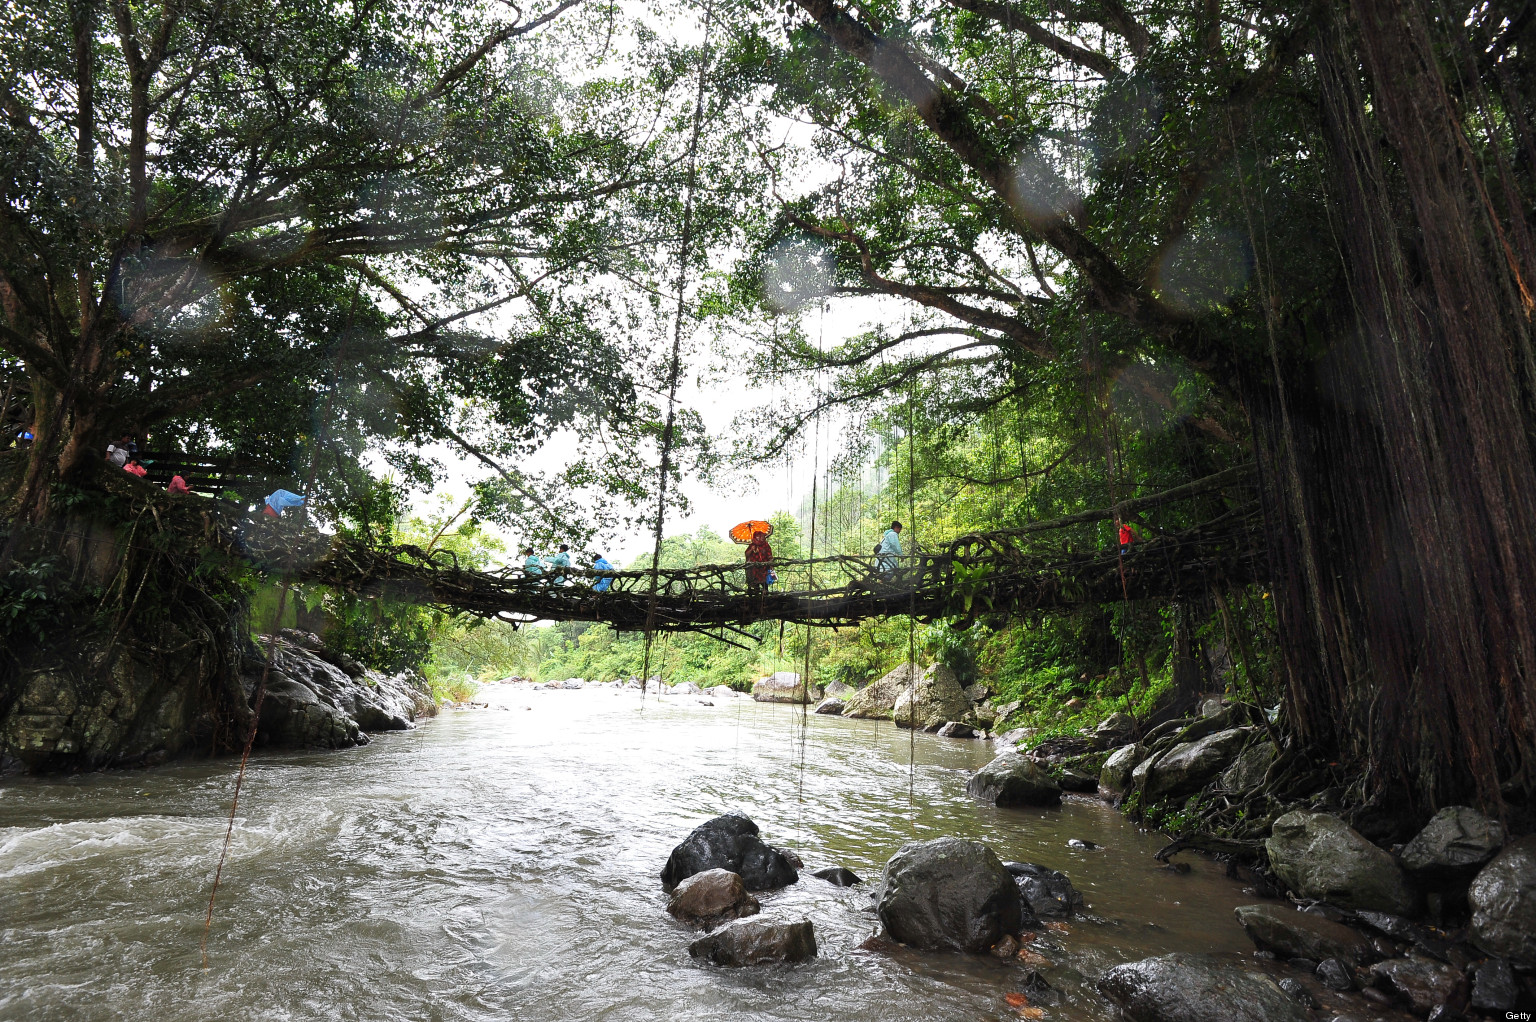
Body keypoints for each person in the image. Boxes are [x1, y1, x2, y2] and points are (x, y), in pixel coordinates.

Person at [744, 530, 773, 594]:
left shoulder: (766, 545)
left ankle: (765, 596)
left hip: (764, 568)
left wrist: (771, 564)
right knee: (755, 586)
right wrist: (751, 549)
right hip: (754, 569)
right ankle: (756, 596)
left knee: (765, 586)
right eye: (760, 536)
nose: (762, 537)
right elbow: (746, 554)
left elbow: (770, 555)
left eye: (763, 536)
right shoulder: (752, 545)